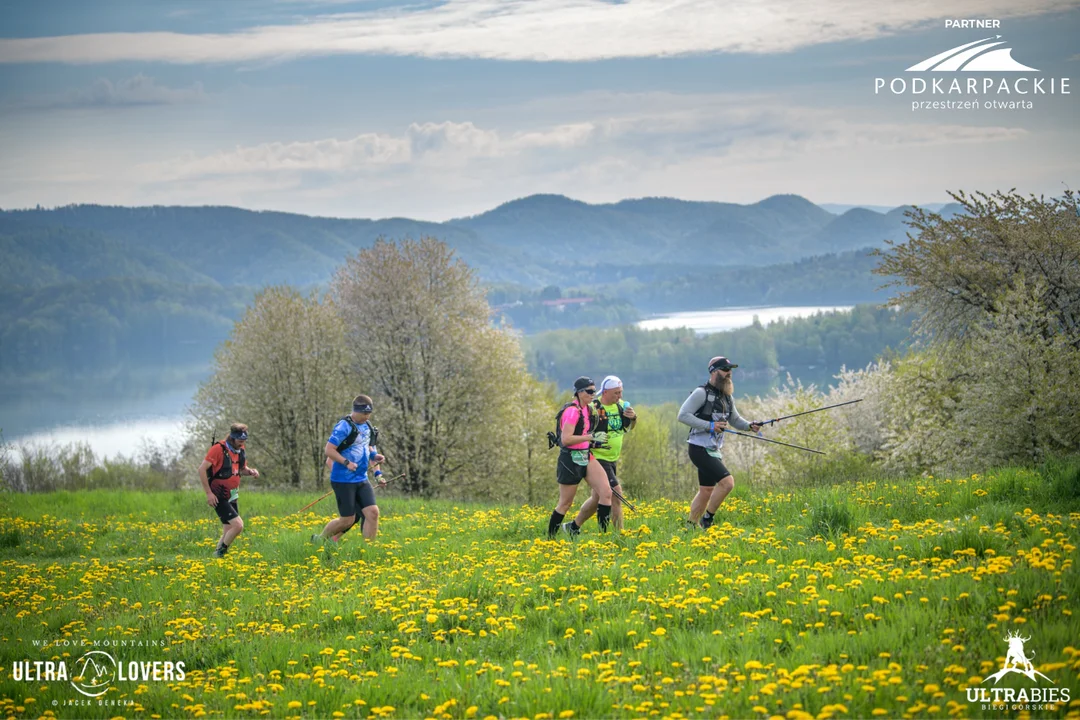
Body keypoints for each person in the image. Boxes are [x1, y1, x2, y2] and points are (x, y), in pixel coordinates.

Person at [677, 356, 763, 529]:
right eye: (725, 369)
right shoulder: (701, 393)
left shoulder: (727, 397)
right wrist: (710, 426)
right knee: (727, 483)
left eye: (730, 369)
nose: (729, 373)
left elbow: (735, 420)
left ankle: (690, 526)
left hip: (713, 449)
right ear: (714, 372)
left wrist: (749, 426)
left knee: (706, 491)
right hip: (698, 448)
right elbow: (683, 415)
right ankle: (707, 519)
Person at [566, 375, 636, 533]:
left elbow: (629, 428)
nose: (620, 396)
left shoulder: (622, 406)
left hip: (613, 458)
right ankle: (619, 533)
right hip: (597, 457)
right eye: (616, 393)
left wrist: (633, 418)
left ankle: (573, 527)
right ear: (604, 392)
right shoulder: (593, 407)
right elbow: (582, 428)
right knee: (616, 493)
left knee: (598, 498)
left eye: (621, 392)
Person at [314, 395, 387, 542]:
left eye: (369, 413)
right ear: (356, 410)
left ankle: (367, 552)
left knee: (373, 513)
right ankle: (320, 539)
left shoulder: (368, 426)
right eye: (364, 413)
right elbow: (329, 450)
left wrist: (376, 464)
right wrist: (346, 462)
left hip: (361, 479)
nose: (367, 417)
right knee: (348, 520)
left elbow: (370, 449)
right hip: (343, 480)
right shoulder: (344, 426)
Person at [547, 376, 613, 538]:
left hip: (585, 455)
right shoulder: (572, 411)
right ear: (579, 392)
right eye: (589, 392)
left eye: (594, 391)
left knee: (606, 493)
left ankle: (604, 537)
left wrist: (595, 441)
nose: (593, 395)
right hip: (570, 459)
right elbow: (566, 439)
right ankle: (550, 539)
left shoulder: (587, 409)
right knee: (565, 503)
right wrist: (591, 437)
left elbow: (584, 433)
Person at [199, 423, 260, 558]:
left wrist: (251, 472)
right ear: (232, 438)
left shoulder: (240, 450)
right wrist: (209, 493)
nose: (242, 444)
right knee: (238, 526)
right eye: (239, 441)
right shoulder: (218, 449)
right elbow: (201, 469)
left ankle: (216, 556)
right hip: (218, 494)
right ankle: (222, 552)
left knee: (228, 528)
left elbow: (241, 469)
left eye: (244, 441)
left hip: (232, 494)